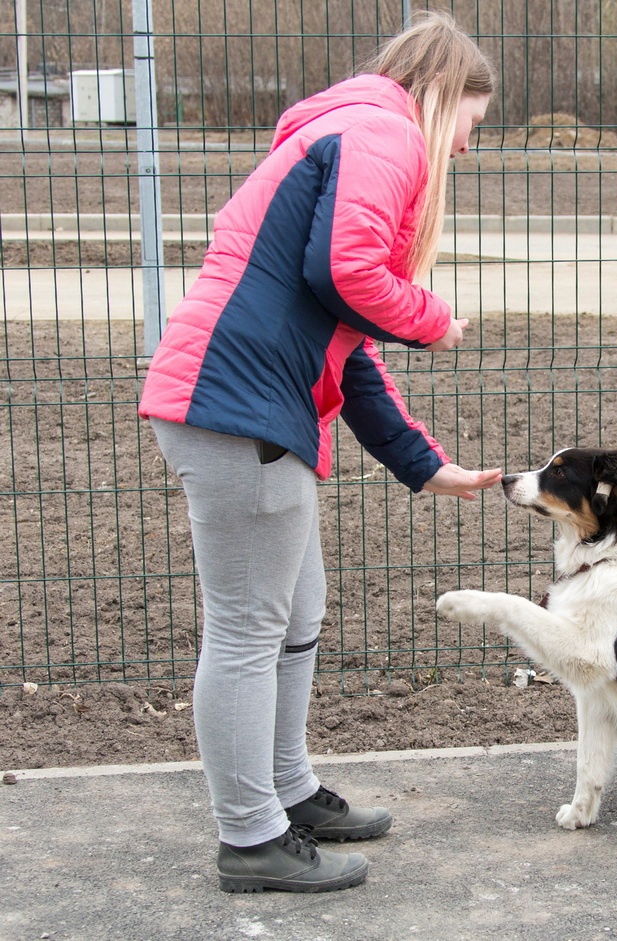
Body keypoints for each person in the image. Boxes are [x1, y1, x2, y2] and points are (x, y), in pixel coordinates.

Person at [138, 12, 500, 894]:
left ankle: (288, 789)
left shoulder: (344, 131)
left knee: (298, 609)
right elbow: (347, 274)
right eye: (470, 128)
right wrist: (435, 319)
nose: (462, 151)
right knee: (247, 628)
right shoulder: (384, 132)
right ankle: (252, 837)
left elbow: (351, 344)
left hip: (235, 400)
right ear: (442, 97)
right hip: (238, 407)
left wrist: (426, 465)